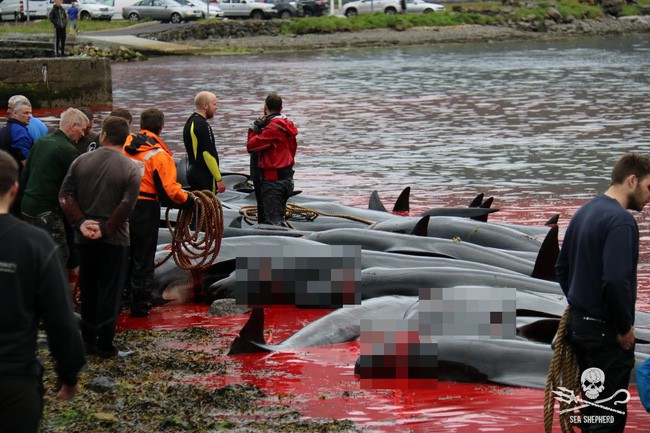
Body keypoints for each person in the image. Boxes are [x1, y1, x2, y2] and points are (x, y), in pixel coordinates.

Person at [555, 153, 650, 433]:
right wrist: (623, 327)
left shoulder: (585, 212)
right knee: (608, 417)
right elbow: (615, 281)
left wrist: (581, 305)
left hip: (580, 328)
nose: (649, 198)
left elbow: (562, 268)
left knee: (593, 411)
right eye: (649, 188)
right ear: (631, 180)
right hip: (606, 335)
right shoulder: (621, 221)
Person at [0, 150, 86, 433]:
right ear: (15, 188)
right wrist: (68, 372)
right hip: (13, 381)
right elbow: (60, 318)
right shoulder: (35, 243)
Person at [60, 116, 141, 357]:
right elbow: (127, 205)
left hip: (84, 237)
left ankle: (88, 340)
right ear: (127, 139)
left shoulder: (80, 161)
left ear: (102, 135)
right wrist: (106, 228)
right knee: (110, 290)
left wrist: (81, 222)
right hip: (115, 239)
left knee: (89, 287)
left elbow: (65, 195)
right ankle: (106, 345)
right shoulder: (131, 169)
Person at [122, 108, 192, 318]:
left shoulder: (125, 145)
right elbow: (170, 191)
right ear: (161, 127)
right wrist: (189, 200)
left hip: (122, 205)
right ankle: (140, 307)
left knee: (124, 254)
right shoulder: (159, 155)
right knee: (143, 259)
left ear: (141, 124)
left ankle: (121, 300)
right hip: (144, 208)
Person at [21, 107, 88, 268]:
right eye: (83, 129)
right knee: (58, 256)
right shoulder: (67, 150)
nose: (84, 134)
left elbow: (25, 175)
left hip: (27, 206)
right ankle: (52, 291)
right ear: (73, 126)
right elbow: (78, 186)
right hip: (47, 211)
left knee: (35, 253)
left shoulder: (42, 142)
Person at [247, 93, 298, 226]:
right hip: (287, 179)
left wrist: (254, 127)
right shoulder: (288, 125)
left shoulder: (272, 128)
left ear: (265, 107)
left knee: (272, 223)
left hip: (273, 182)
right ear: (281, 108)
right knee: (278, 218)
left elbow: (251, 146)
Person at [182, 91, 226, 194]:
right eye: (214, 104)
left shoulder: (190, 122)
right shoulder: (202, 125)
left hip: (193, 173)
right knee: (208, 207)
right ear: (206, 106)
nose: (216, 108)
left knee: (198, 207)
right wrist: (219, 179)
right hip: (204, 176)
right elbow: (208, 154)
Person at [0, 100, 34, 217]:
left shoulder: (4, 129)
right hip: (17, 183)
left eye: (30, 113)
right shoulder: (19, 131)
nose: (30, 116)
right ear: (14, 114)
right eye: (26, 113)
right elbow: (26, 161)